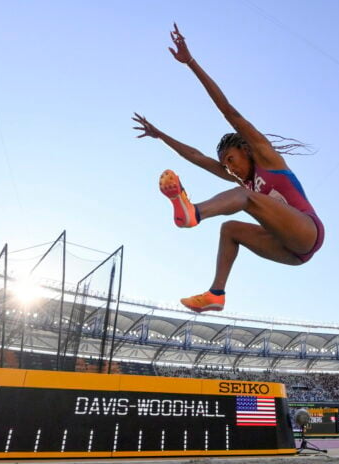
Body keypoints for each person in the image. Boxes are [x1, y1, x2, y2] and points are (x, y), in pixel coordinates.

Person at [132, 24, 324, 313]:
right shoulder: (242, 183)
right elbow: (196, 156)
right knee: (229, 228)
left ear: (246, 150)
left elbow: (229, 111)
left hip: (307, 232)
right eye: (225, 165)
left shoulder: (266, 158)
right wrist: (161, 136)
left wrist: (191, 64)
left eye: (231, 160)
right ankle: (216, 294)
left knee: (243, 197)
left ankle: (193, 212)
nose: (229, 168)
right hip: (290, 252)